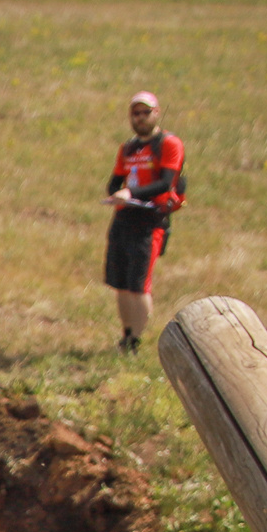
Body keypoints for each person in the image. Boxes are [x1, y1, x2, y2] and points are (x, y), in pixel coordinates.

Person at [101, 91, 186, 354]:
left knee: (139, 284)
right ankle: (126, 335)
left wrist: (130, 193)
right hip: (124, 217)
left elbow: (166, 182)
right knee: (120, 282)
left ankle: (137, 340)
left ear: (157, 113)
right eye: (135, 113)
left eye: (145, 112)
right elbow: (115, 180)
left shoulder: (169, 143)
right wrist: (117, 192)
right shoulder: (128, 148)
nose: (140, 118)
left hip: (150, 220)